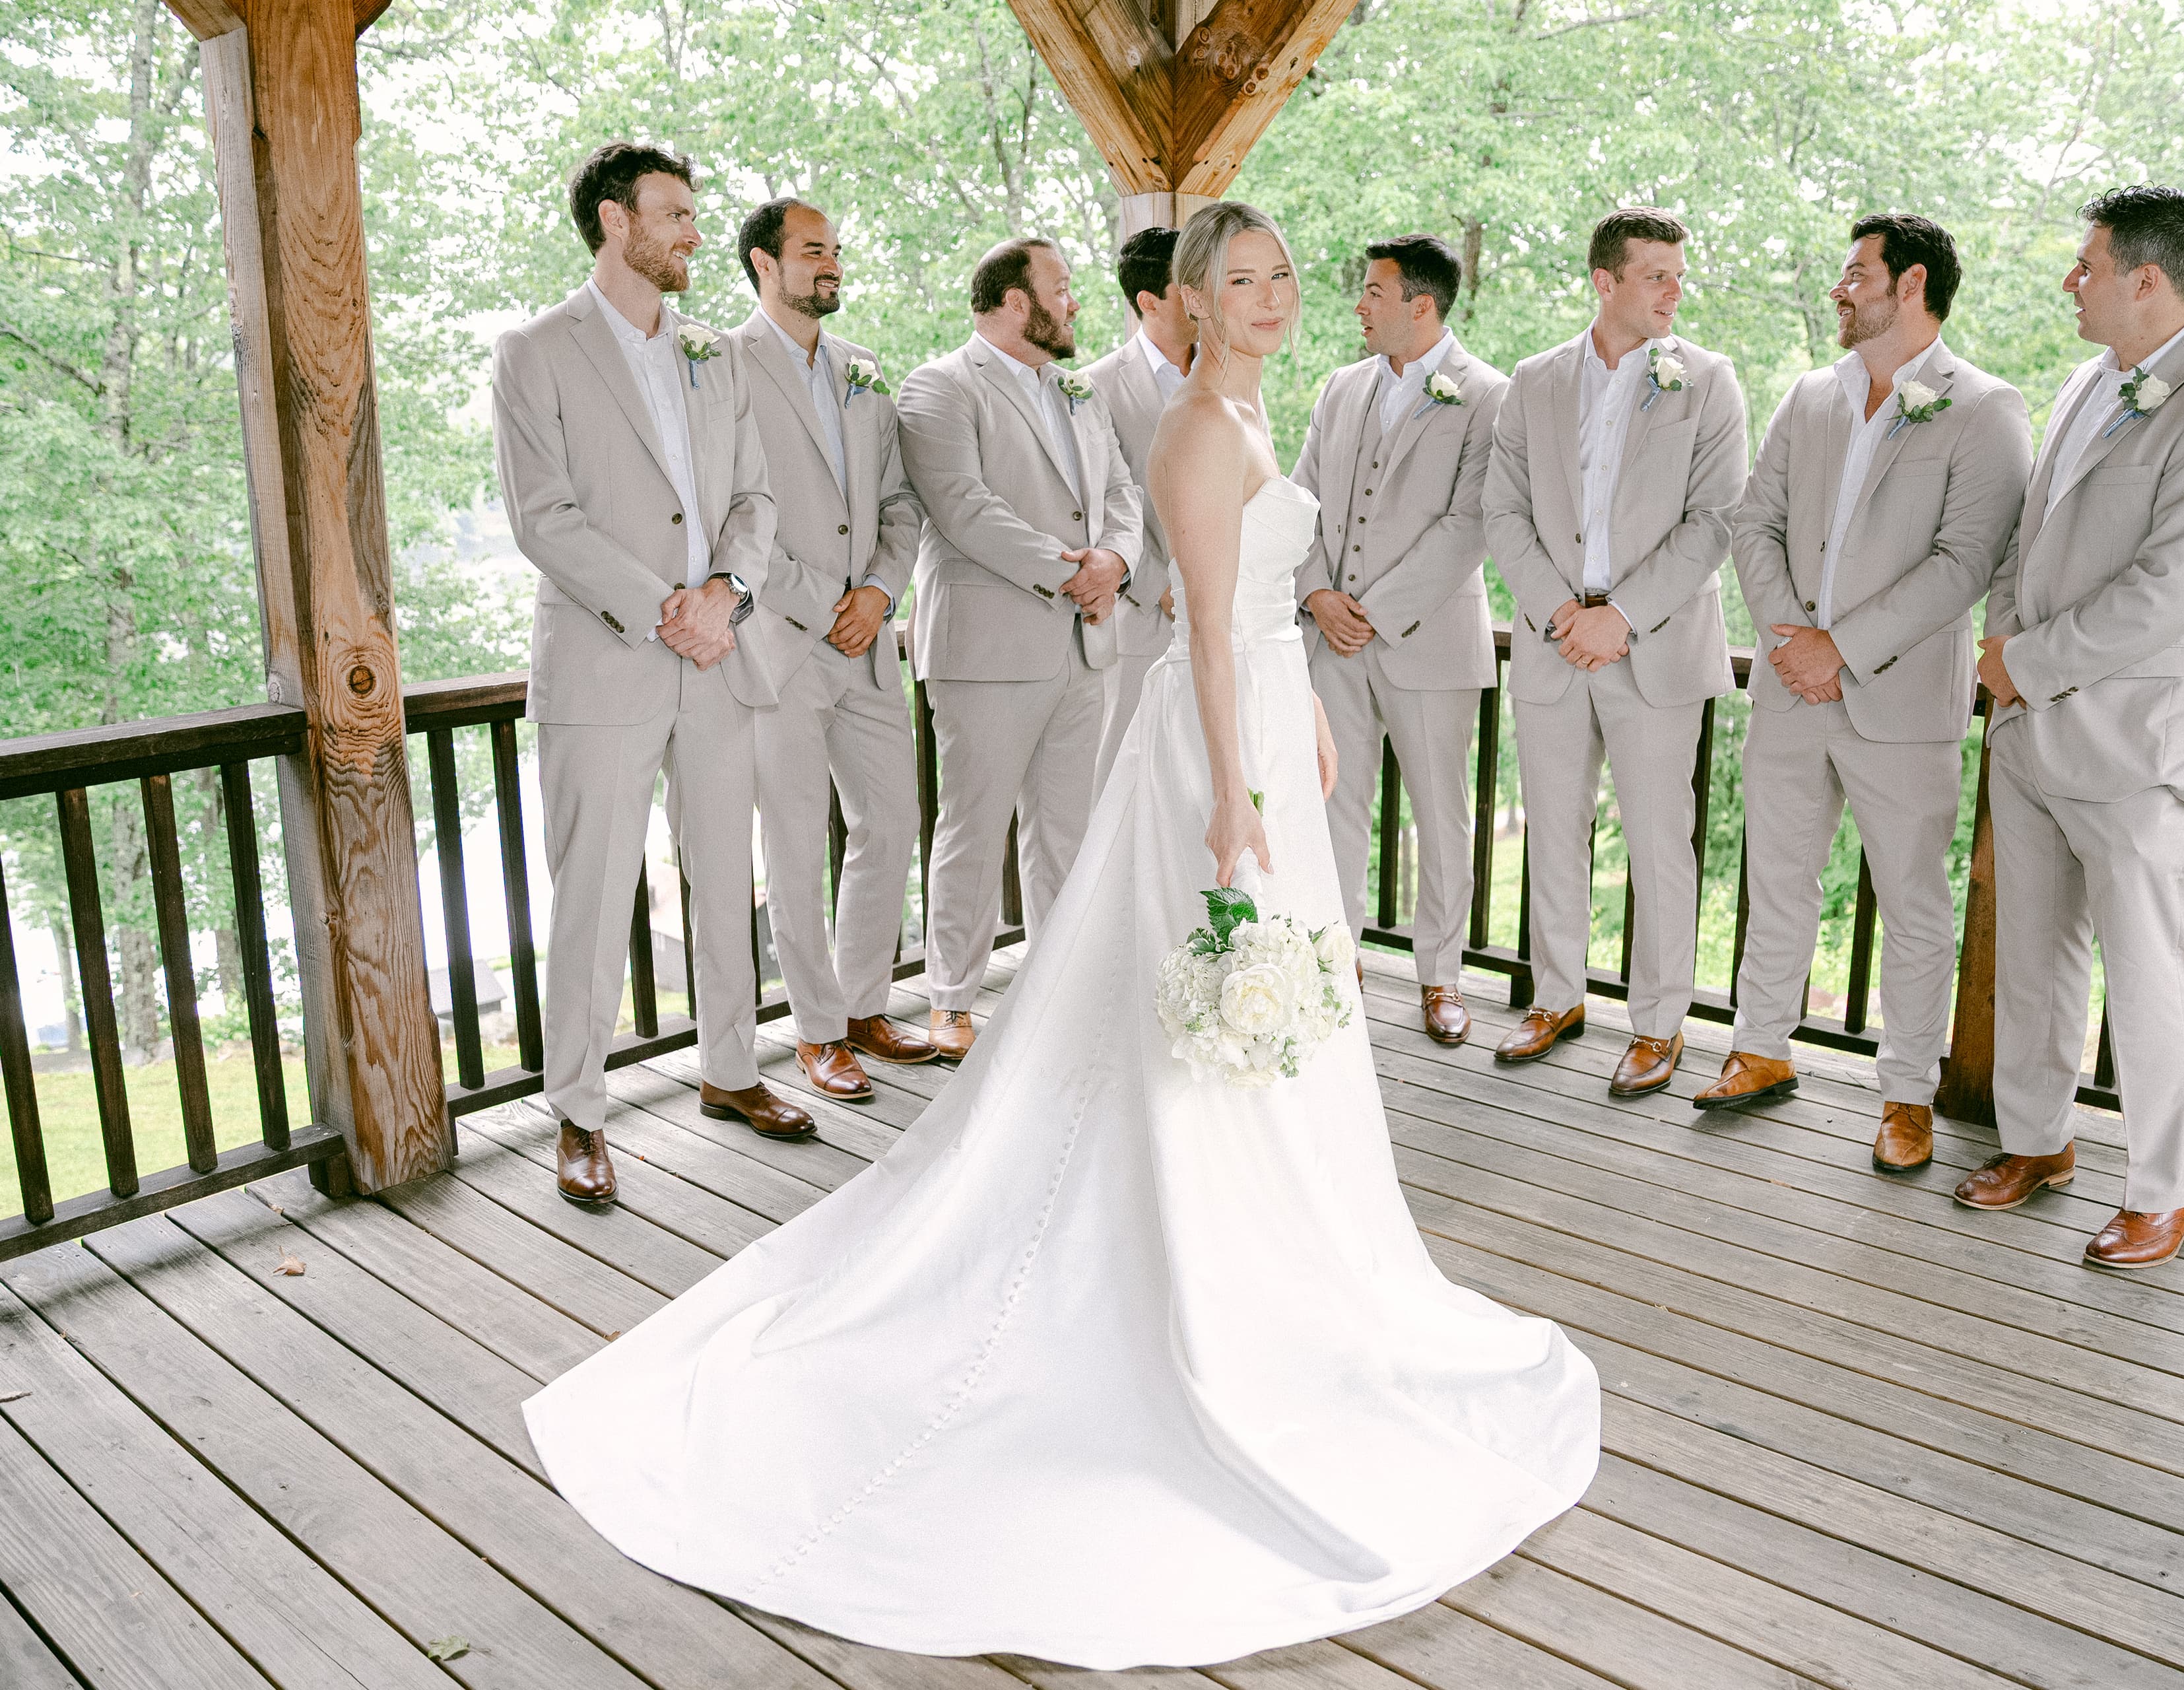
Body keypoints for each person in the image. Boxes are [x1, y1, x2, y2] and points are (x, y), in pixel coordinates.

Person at [522, 200, 1601, 1670]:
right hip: (1219, 756)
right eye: (1242, 280)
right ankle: (1180, 1279)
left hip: (1273, 730)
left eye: (1287, 276)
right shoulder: (1195, 433)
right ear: (1191, 301)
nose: (1274, 296)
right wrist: (1238, 796)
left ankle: (1283, 1261)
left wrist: (1304, 746)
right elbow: (1211, 627)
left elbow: (1258, 619)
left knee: (1255, 1028)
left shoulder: (1241, 409)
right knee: (1185, 1013)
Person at [1963, 185, 2184, 1267]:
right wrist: (2007, 651)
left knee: (2148, 968)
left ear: (2147, 281)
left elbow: (2168, 592)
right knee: (2034, 955)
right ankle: (2037, 1141)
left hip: (2142, 741)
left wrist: (2022, 663)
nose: (2073, 279)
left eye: (2088, 264)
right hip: (2031, 731)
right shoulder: (2082, 382)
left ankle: (2166, 1191)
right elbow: (2028, 539)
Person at [490, 141, 807, 1206]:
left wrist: (725, 595)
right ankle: (579, 1112)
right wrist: (660, 609)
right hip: (601, 662)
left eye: (691, 214)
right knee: (591, 893)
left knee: (728, 879)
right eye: (673, 214)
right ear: (614, 222)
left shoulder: (717, 355)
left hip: (720, 657)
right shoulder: (535, 352)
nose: (691, 234)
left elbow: (757, 502)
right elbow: (544, 518)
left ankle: (731, 1073)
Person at [1705, 213, 2030, 1173]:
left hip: (1899, 701)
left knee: (1915, 905)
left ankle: (1906, 1097)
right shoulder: (1810, 396)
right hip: (1790, 690)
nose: (1841, 291)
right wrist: (1790, 643)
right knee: (1777, 882)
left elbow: (1966, 560)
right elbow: (1751, 524)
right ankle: (1761, 1049)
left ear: (1911, 283)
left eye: (1856, 275)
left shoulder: (1984, 407)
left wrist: (1841, 650)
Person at [1482, 207, 1746, 1097]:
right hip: (1554, 638)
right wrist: (1563, 610)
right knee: (1553, 831)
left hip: (1655, 644)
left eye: (1679, 273)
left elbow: (1716, 520)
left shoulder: (1709, 381)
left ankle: (1660, 1025)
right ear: (1606, 282)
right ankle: (1555, 999)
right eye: (1657, 275)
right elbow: (1502, 510)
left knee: (1657, 842)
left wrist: (1621, 615)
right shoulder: (1534, 379)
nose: (1676, 290)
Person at [895, 238, 1143, 1060]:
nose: (1074, 303)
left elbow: (1121, 492)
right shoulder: (939, 387)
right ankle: (952, 999)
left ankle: (1058, 988)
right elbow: (964, 509)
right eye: (1061, 289)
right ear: (1012, 301)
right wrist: (1073, 573)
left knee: (1064, 830)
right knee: (972, 828)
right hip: (988, 650)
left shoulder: (1078, 393)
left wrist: (1119, 560)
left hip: (1084, 646)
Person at [731, 197, 933, 1101]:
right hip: (782, 647)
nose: (833, 265)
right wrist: (827, 606)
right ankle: (815, 1033)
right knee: (796, 841)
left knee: (891, 823)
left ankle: (862, 1006)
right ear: (764, 264)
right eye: (815, 251)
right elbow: (729, 518)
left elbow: (900, 503)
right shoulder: (723, 368)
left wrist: (884, 593)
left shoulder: (863, 369)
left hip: (870, 644)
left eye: (837, 251)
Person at [1293, 234, 1506, 1045]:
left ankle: (1441, 977)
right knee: (1331, 804)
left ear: (1421, 304)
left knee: (1439, 817)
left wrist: (1374, 609)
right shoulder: (1340, 388)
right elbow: (1301, 497)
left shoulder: (1489, 395)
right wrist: (1315, 590)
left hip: (1427, 641)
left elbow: (1470, 524)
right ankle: (1334, 965)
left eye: (1373, 292)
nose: (1359, 304)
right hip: (1329, 637)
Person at [1082, 224, 1191, 792]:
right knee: (1121, 788)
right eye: (1190, 283)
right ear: (1149, 301)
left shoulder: (1237, 378)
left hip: (1225, 626)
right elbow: (1096, 510)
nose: (1206, 294)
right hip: (1142, 624)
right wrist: (1161, 589)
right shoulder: (1093, 386)